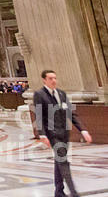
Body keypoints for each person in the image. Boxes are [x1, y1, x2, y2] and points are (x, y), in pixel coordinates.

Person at [33, 69, 92, 197]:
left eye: (55, 78)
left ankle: (59, 191)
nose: (54, 80)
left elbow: (71, 113)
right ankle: (74, 192)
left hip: (64, 134)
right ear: (44, 80)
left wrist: (83, 130)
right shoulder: (39, 94)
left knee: (59, 161)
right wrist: (42, 134)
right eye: (50, 78)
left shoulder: (61, 93)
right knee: (63, 162)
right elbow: (38, 116)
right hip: (52, 134)